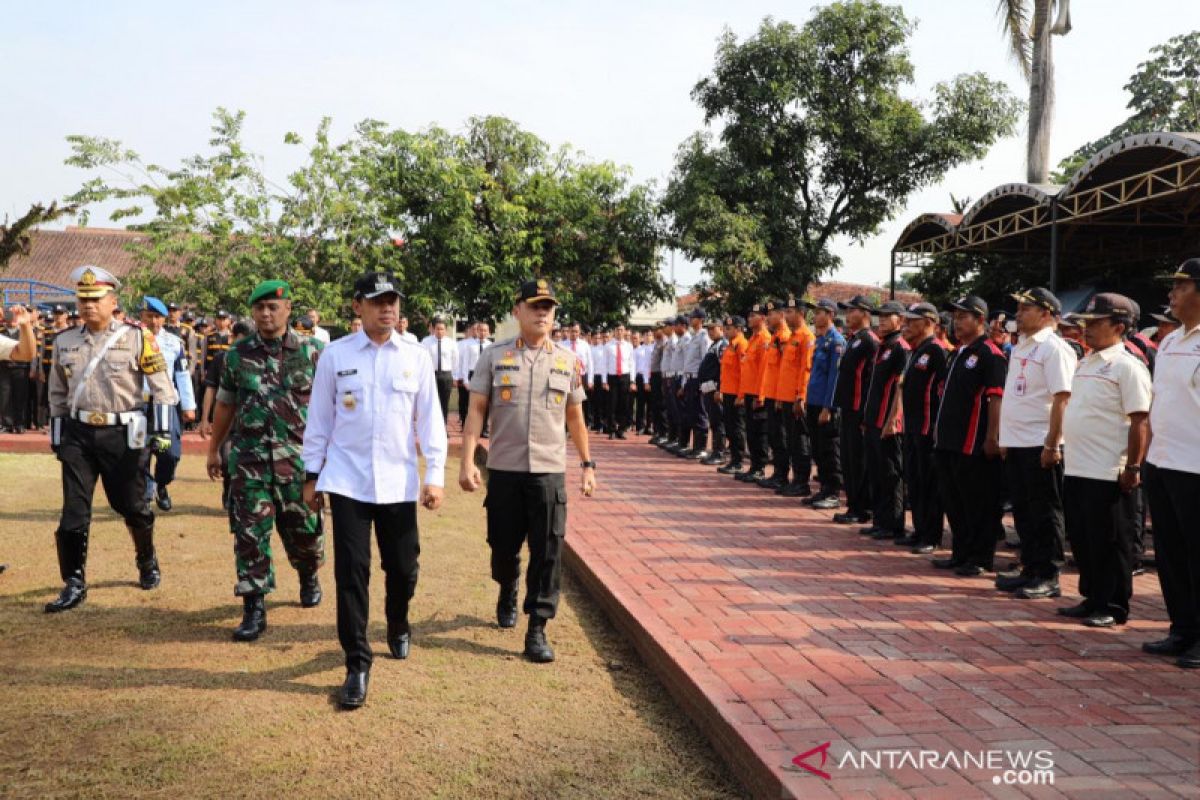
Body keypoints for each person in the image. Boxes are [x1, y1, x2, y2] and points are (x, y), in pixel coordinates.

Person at [303, 271, 447, 709]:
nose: (388, 308)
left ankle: (398, 622)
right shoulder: (334, 355)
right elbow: (320, 419)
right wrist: (312, 474)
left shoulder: (416, 355)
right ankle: (356, 663)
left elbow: (430, 419)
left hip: (398, 481)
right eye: (378, 301)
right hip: (347, 479)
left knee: (403, 568)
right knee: (351, 573)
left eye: (393, 301)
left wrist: (435, 474)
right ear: (357, 306)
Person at [459, 278, 595, 665]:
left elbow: (575, 416)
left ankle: (537, 627)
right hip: (504, 469)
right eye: (534, 306)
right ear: (517, 310)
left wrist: (587, 465)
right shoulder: (494, 356)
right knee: (502, 548)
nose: (542, 313)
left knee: (548, 550)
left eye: (548, 307)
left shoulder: (567, 361)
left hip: (549, 472)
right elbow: (476, 411)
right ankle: (507, 586)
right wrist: (468, 461)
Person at [45, 266, 179, 612]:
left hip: (124, 435)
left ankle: (146, 558)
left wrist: (162, 432)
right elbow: (57, 393)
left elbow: (163, 389)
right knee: (74, 510)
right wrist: (59, 438)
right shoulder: (65, 341)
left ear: (113, 301)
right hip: (79, 433)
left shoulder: (137, 337)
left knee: (132, 506)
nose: (88, 305)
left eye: (96, 298)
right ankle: (74, 581)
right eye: (83, 298)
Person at [206, 280, 326, 642]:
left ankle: (308, 573)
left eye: (274, 307)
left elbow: (329, 410)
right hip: (249, 463)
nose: (266, 314)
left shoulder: (315, 353)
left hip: (298, 463)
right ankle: (254, 607)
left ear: (288, 309)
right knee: (249, 536)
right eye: (259, 308)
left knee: (304, 534)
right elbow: (226, 404)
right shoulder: (235, 355)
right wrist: (214, 449)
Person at [1058, 293, 1152, 628]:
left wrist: (1133, 466)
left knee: (1111, 541)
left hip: (1109, 469)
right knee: (1084, 538)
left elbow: (1140, 419)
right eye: (1085, 323)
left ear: (1119, 326)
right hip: (1079, 466)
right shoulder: (1085, 362)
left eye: (1095, 323)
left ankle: (1113, 604)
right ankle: (1092, 596)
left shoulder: (1128, 366)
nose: (1087, 329)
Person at [995, 288, 1076, 599]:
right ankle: (1030, 567)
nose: (1019, 313)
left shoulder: (1054, 348)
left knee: (1045, 511)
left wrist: (1053, 443)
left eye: (1026, 308)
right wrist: (1005, 437)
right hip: (1017, 441)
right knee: (1024, 510)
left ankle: (1048, 574)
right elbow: (1015, 395)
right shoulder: (1022, 346)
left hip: (1040, 441)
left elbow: (1062, 398)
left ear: (1046, 313)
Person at [1142, 258, 1200, 668]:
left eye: (1180, 286)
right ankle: (1183, 629)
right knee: (1171, 553)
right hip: (1162, 460)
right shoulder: (1171, 341)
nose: (1171, 294)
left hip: (1196, 464)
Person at [931, 296, 1007, 577]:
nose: (956, 321)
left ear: (980, 321)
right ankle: (960, 552)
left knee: (978, 502)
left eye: (963, 316)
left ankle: (980, 557)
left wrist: (992, 437)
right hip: (949, 440)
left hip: (973, 442)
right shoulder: (959, 352)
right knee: (954, 500)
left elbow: (995, 399)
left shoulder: (991, 354)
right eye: (955, 316)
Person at [138, 297, 198, 511]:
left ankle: (161, 484)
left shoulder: (174, 343)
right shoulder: (131, 339)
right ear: (141, 317)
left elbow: (182, 374)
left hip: (166, 404)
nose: (154, 321)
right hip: (139, 404)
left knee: (170, 452)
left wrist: (189, 406)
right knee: (140, 452)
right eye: (150, 316)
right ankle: (145, 492)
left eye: (158, 317)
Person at [898, 303, 948, 553]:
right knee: (915, 480)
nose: (905, 324)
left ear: (929, 322)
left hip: (928, 428)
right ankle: (919, 530)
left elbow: (942, 391)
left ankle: (931, 535)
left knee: (929, 483)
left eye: (912, 320)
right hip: (912, 426)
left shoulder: (937, 351)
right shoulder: (916, 351)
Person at [860, 301, 910, 539]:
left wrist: (893, 420)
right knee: (876, 472)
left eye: (887, 316)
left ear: (899, 319)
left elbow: (900, 387)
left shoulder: (901, 347)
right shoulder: (883, 345)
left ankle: (894, 523)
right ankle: (880, 520)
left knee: (891, 474)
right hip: (873, 419)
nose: (881, 320)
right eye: (880, 316)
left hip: (887, 422)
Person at [831, 295, 879, 524]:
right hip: (847, 407)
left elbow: (871, 380)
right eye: (847, 311)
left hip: (859, 409)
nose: (848, 315)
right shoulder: (854, 339)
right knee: (849, 459)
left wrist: (865, 413)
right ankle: (852, 505)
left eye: (853, 311)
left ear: (865, 313)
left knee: (858, 461)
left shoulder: (870, 341)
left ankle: (861, 508)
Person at [804, 299, 845, 509]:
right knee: (818, 449)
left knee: (829, 450)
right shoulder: (820, 341)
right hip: (813, 402)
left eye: (819, 312)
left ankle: (833, 492)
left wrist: (828, 407)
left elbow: (834, 378)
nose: (815, 315)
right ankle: (823, 490)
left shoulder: (836, 342)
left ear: (830, 314)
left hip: (825, 406)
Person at [777, 297, 815, 496]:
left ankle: (802, 482)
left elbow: (806, 369)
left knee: (800, 441)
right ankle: (795, 479)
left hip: (796, 399)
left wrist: (801, 396)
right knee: (791, 441)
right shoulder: (793, 337)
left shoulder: (806, 337)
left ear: (801, 313)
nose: (787, 316)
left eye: (790, 312)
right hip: (785, 397)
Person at [735, 304, 771, 482]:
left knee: (759, 433)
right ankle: (754, 466)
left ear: (763, 318)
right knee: (751, 432)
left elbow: (765, 371)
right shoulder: (753, 339)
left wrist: (761, 396)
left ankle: (760, 468)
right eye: (748, 316)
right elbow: (747, 370)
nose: (749, 319)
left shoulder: (765, 339)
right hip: (749, 392)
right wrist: (742, 395)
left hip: (758, 394)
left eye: (753, 315)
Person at [716, 316, 748, 474]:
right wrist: (721, 390)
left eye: (729, 328)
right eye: (725, 328)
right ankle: (733, 459)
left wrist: (741, 395)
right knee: (729, 427)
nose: (726, 331)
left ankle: (738, 461)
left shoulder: (741, 345)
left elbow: (744, 373)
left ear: (739, 329)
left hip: (736, 394)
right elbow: (725, 372)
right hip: (728, 393)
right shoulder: (729, 346)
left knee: (737, 429)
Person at [0, 305, 35, 433]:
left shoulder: (23, 332)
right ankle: (7, 424)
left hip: (20, 368)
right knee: (4, 398)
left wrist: (26, 325)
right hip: (4, 368)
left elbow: (27, 354)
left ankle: (19, 423)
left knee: (20, 397)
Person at [698, 318, 727, 465]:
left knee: (718, 422)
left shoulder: (722, 345)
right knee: (714, 422)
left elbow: (724, 369)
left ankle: (720, 453)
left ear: (721, 328)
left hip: (716, 389)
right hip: (709, 388)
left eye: (713, 329)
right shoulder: (714, 345)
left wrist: (720, 389)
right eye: (708, 329)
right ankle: (716, 451)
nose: (710, 332)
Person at [422, 317, 457, 423]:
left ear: (446, 330)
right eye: (437, 328)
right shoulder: (426, 341)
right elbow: (422, 360)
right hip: (431, 375)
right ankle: (431, 429)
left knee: (444, 403)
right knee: (430, 403)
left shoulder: (451, 343)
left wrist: (454, 377)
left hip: (446, 375)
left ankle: (443, 428)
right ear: (433, 329)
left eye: (442, 329)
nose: (440, 331)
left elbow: (455, 361)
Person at [602, 323, 634, 439]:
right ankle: (611, 430)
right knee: (612, 404)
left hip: (625, 376)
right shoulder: (608, 346)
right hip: (612, 377)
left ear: (624, 331)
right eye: (617, 330)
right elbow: (604, 364)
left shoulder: (629, 346)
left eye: (621, 330)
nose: (619, 332)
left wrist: (632, 381)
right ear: (614, 331)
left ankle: (621, 429)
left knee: (624, 404)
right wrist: (604, 381)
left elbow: (632, 364)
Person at [564, 323, 594, 430]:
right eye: (572, 331)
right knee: (568, 402)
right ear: (569, 332)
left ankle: (582, 426)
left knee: (581, 402)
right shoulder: (563, 345)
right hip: (567, 377)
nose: (574, 334)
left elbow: (590, 363)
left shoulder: (585, 345)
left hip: (581, 376)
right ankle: (568, 427)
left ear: (579, 332)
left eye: (576, 331)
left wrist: (590, 380)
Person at [633, 331, 653, 435]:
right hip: (640, 377)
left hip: (651, 377)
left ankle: (649, 426)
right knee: (640, 403)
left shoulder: (655, 349)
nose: (648, 337)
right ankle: (639, 426)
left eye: (650, 335)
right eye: (646, 335)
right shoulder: (638, 350)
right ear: (642, 337)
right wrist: (633, 381)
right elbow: (634, 366)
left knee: (651, 404)